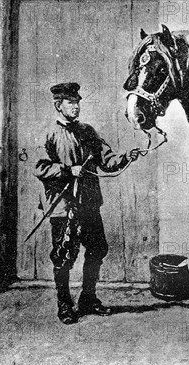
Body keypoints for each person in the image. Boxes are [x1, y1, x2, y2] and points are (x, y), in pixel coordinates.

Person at [34, 82, 140, 324]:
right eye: (71, 103)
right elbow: (39, 167)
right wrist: (69, 170)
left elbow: (107, 160)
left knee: (97, 249)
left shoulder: (87, 131)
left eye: (78, 102)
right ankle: (64, 303)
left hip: (89, 204)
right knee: (63, 256)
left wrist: (125, 158)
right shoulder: (47, 133)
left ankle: (88, 298)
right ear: (58, 105)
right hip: (63, 207)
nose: (76, 106)